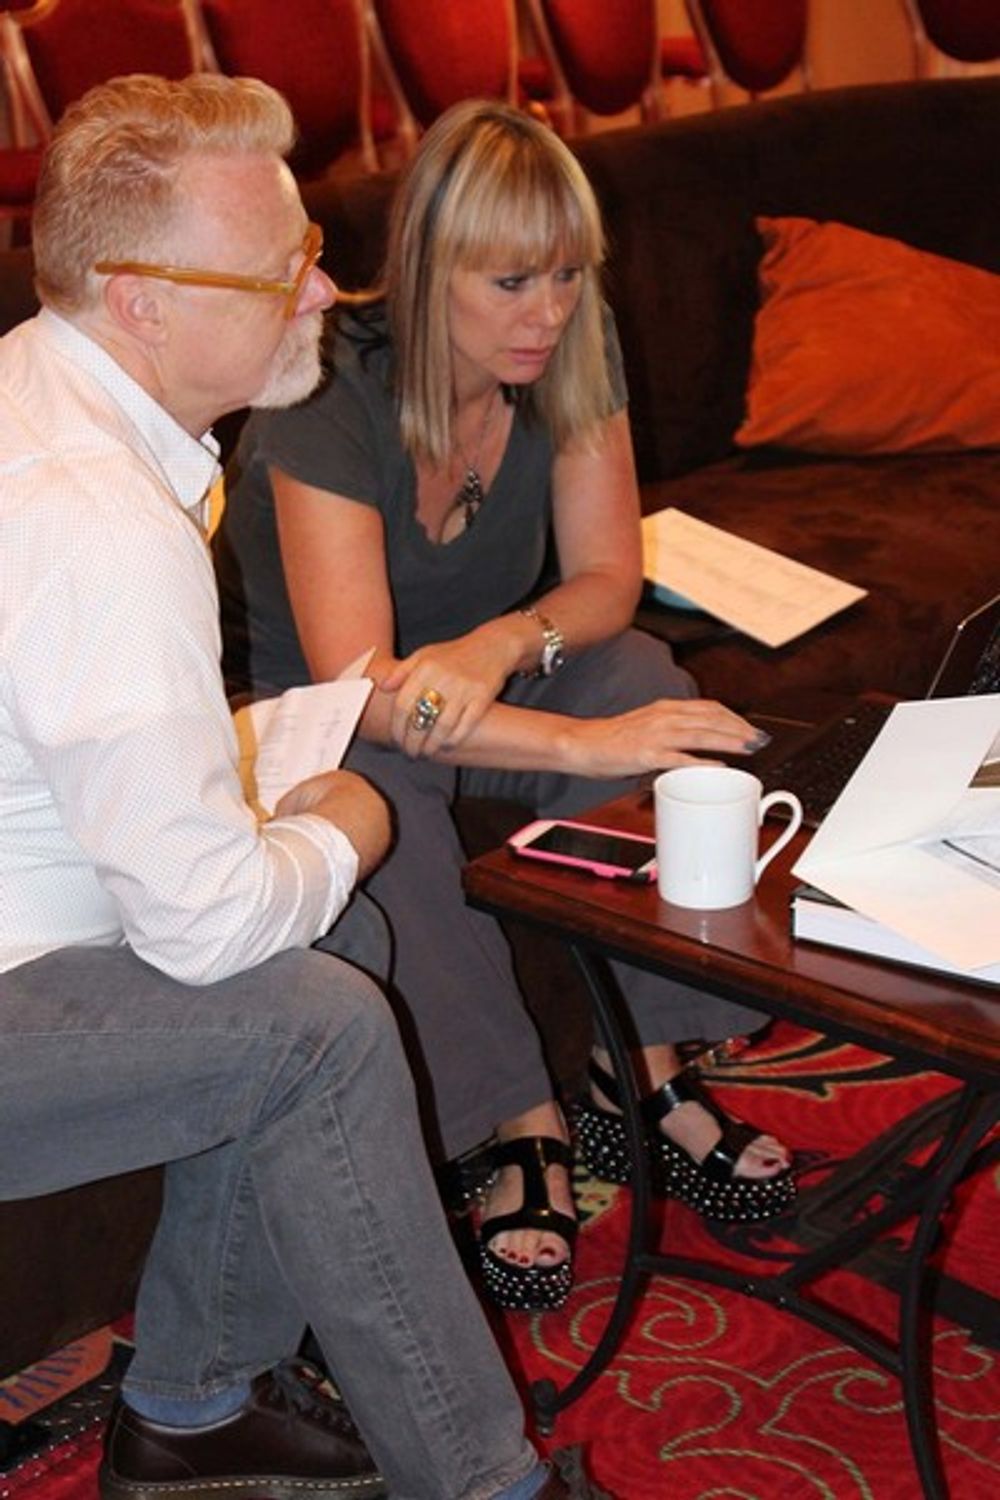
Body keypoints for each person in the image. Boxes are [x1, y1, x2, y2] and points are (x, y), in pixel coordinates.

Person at [0, 74, 605, 1500]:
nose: (326, 291)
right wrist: (353, 817)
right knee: (316, 1022)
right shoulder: (92, 512)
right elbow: (207, 928)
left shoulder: (47, 386)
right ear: (144, 301)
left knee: (343, 936)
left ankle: (194, 1403)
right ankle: (487, 1484)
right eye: (283, 270)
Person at [214, 98, 797, 1318]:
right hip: (331, 709)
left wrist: (500, 641)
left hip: (479, 672)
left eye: (569, 275)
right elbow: (369, 689)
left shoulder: (570, 349)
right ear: (430, 269)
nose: (549, 313)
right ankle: (517, 1120)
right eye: (512, 281)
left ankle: (640, 1066)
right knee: (377, 799)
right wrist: (583, 742)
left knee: (643, 675)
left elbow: (605, 576)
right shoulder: (325, 389)